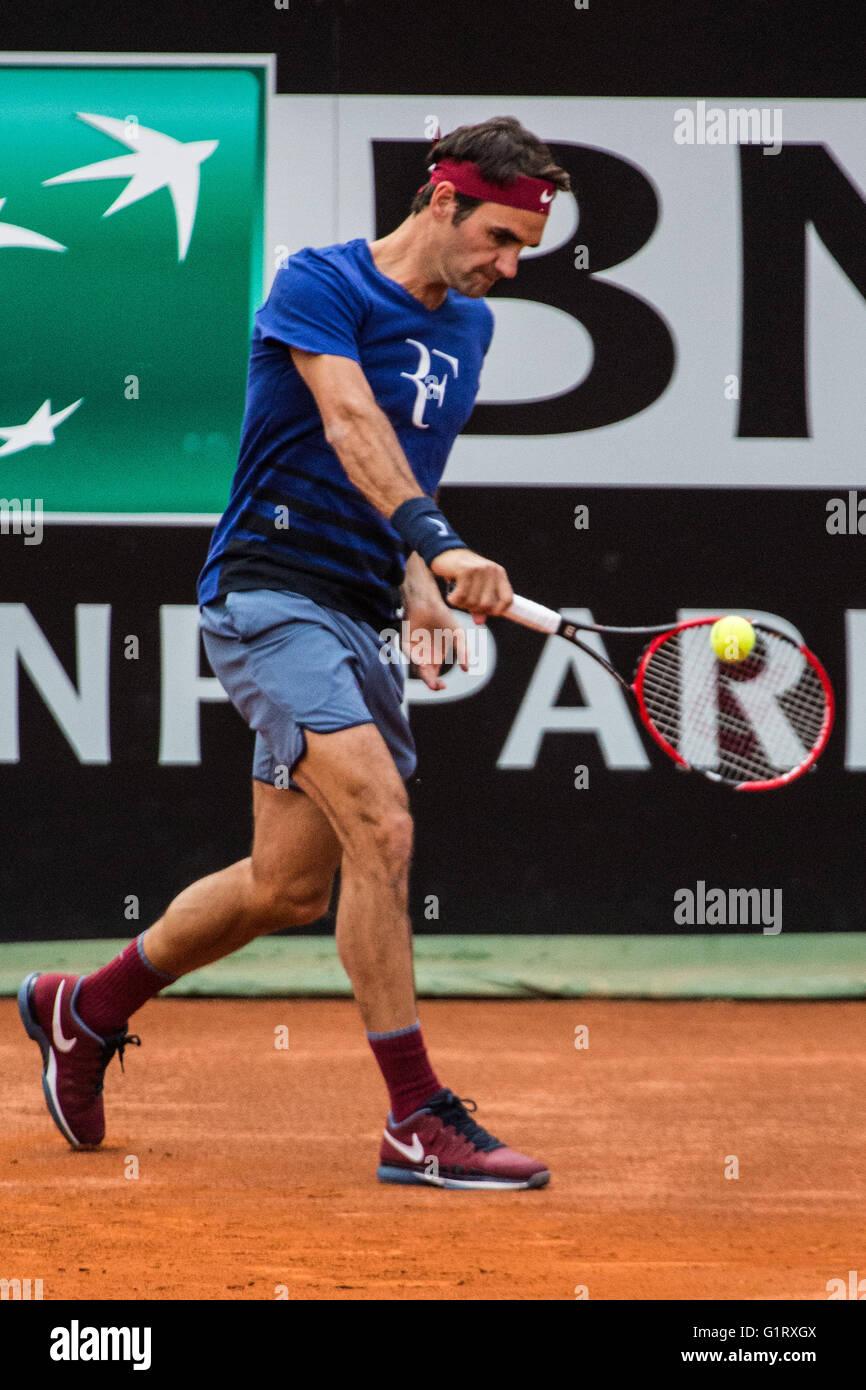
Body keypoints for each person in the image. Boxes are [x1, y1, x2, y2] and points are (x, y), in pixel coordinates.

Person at [19, 116, 571, 1190]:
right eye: (499, 239)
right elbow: (350, 419)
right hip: (268, 595)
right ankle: (415, 1118)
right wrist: (447, 547)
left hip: (358, 608)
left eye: (525, 253)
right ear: (441, 201)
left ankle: (85, 1008)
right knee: (382, 822)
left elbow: (399, 467)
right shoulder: (315, 283)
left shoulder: (467, 331)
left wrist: (416, 584)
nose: (507, 269)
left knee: (283, 887)